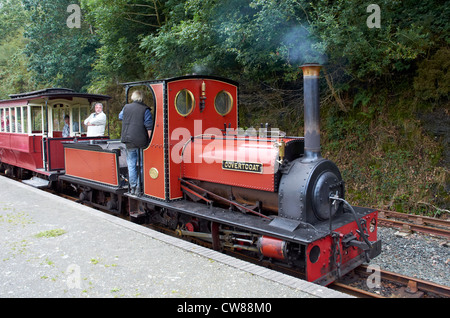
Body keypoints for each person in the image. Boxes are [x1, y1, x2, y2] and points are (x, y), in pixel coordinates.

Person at [119, 90, 153, 195]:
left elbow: (120, 117)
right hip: (141, 141)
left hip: (128, 140)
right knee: (143, 164)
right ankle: (139, 186)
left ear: (133, 97)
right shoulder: (145, 109)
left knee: (131, 164)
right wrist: (151, 141)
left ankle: (132, 187)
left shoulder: (126, 107)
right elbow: (149, 127)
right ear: (142, 98)